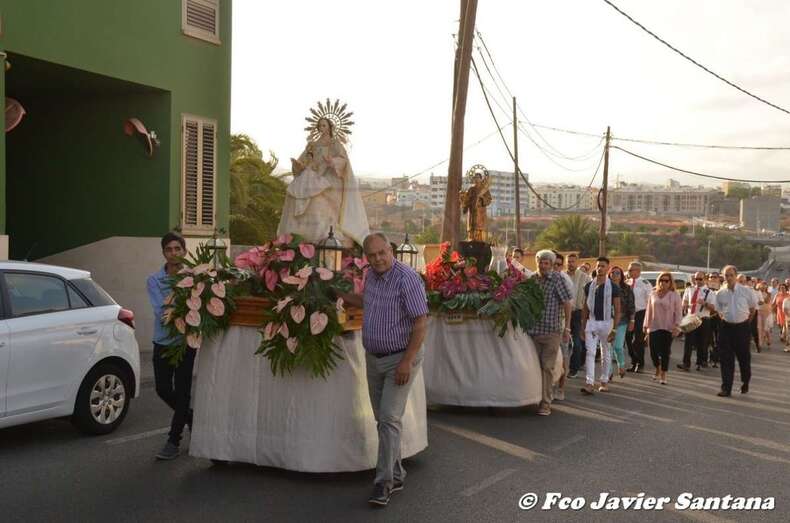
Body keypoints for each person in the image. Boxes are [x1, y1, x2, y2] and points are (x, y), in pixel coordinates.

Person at [335, 233, 428, 507]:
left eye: (381, 253)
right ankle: (397, 474)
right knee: (383, 421)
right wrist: (338, 294)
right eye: (372, 255)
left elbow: (421, 323)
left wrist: (406, 362)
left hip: (400, 358)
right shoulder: (372, 276)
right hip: (374, 358)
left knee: (388, 419)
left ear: (391, 250)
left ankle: (383, 483)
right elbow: (368, 302)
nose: (377, 259)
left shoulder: (407, 278)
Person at [278, 114, 369, 247]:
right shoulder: (312, 145)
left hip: (330, 179)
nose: (321, 128)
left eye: (324, 125)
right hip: (313, 176)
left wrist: (332, 161)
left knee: (317, 201)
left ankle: (324, 236)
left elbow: (343, 161)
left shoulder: (335, 144)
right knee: (295, 194)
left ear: (330, 127)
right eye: (320, 125)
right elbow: (303, 159)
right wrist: (298, 165)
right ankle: (298, 237)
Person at [146, 232, 194, 461]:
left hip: (186, 343)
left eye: (178, 248)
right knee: (162, 389)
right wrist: (182, 302)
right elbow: (161, 312)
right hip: (163, 341)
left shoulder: (196, 277)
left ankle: (173, 440)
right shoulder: (154, 280)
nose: (174, 253)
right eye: (169, 249)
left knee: (183, 391)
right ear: (163, 253)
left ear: (184, 250)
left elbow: (198, 308)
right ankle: (191, 418)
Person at [527, 250, 573, 415]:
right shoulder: (532, 279)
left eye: (547, 263)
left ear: (552, 264)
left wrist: (567, 328)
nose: (543, 265)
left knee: (547, 367)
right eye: (541, 262)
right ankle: (534, 398)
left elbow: (567, 303)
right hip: (532, 331)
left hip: (551, 331)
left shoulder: (557, 279)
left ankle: (545, 403)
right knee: (533, 367)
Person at [581, 257, 621, 395]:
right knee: (590, 352)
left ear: (607, 268)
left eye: (603, 266)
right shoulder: (589, 286)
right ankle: (589, 383)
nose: (600, 268)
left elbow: (617, 309)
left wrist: (614, 329)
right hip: (591, 322)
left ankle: (604, 381)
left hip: (606, 323)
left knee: (605, 352)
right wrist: (582, 326)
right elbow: (585, 307)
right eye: (598, 266)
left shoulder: (614, 287)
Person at [715, 265, 757, 397]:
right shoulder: (720, 293)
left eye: (731, 275)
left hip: (742, 328)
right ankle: (726, 388)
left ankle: (745, 381)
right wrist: (726, 320)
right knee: (726, 359)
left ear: (736, 276)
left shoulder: (746, 291)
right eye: (726, 275)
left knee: (744, 359)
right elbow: (719, 310)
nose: (728, 278)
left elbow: (752, 310)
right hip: (726, 328)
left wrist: (745, 323)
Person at [643, 272, 682, 385]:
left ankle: (664, 374)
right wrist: (646, 326)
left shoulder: (675, 295)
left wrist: (677, 326)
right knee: (653, 352)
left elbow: (679, 312)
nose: (663, 283)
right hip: (654, 327)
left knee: (665, 352)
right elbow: (648, 311)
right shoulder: (653, 294)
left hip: (668, 327)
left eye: (666, 281)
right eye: (661, 280)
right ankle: (657, 368)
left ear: (670, 282)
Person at [677, 271, 716, 371]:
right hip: (691, 317)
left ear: (705, 279)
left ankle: (700, 361)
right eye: (696, 279)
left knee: (701, 342)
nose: (697, 281)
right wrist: (685, 304)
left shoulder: (710, 292)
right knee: (688, 341)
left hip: (703, 318)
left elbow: (714, 308)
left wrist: (705, 303)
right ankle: (686, 363)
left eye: (700, 279)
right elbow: (685, 300)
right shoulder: (689, 289)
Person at [552, 252, 575, 400]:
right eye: (553, 264)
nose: (555, 267)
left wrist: (567, 328)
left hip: (560, 325)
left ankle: (561, 387)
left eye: (558, 265)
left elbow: (568, 306)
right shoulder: (541, 278)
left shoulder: (564, 280)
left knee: (563, 357)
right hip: (545, 327)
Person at [625, 261, 653, 373]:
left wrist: (649, 317)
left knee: (638, 340)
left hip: (640, 313)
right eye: (628, 269)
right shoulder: (626, 282)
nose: (629, 271)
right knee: (627, 339)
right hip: (628, 314)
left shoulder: (645, 283)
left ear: (638, 271)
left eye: (631, 270)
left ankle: (640, 364)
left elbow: (650, 301)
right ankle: (634, 361)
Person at [566, 253, 591, 378]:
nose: (570, 263)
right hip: (563, 314)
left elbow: (589, 297)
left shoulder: (586, 278)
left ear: (577, 262)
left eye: (572, 261)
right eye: (568, 261)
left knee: (577, 343)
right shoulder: (562, 276)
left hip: (578, 313)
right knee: (562, 343)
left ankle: (573, 368)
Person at [608, 266, 634, 379]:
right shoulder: (605, 287)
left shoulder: (627, 288)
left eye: (618, 273)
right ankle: (608, 372)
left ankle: (621, 366)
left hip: (622, 321)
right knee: (608, 348)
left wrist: (632, 321)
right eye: (612, 273)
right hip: (607, 321)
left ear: (621, 275)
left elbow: (631, 306)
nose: (615, 275)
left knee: (618, 346)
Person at [706, 273, 722, 368]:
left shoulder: (722, 290)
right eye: (711, 277)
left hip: (718, 317)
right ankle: (710, 357)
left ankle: (715, 358)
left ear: (719, 279)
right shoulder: (706, 290)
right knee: (708, 339)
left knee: (717, 339)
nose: (712, 279)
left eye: (714, 277)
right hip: (708, 317)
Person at [757, 283, 773, 349]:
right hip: (759, 312)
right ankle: (760, 343)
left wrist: (761, 301)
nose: (763, 287)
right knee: (760, 328)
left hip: (767, 313)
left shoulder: (768, 294)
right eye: (762, 286)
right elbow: (756, 302)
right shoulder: (757, 293)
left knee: (766, 329)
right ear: (759, 286)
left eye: (764, 286)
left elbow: (766, 301)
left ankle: (769, 340)